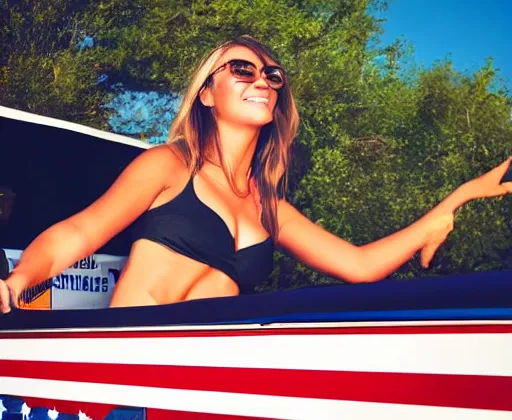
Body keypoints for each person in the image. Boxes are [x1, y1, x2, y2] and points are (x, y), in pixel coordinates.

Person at [1, 36, 511, 312]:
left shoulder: (272, 208)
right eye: (242, 69)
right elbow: (80, 231)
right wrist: (17, 282)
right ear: (207, 93)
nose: (262, 80)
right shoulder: (169, 165)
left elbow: (359, 266)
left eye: (272, 75)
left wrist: (456, 201)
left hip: (207, 383)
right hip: (132, 370)